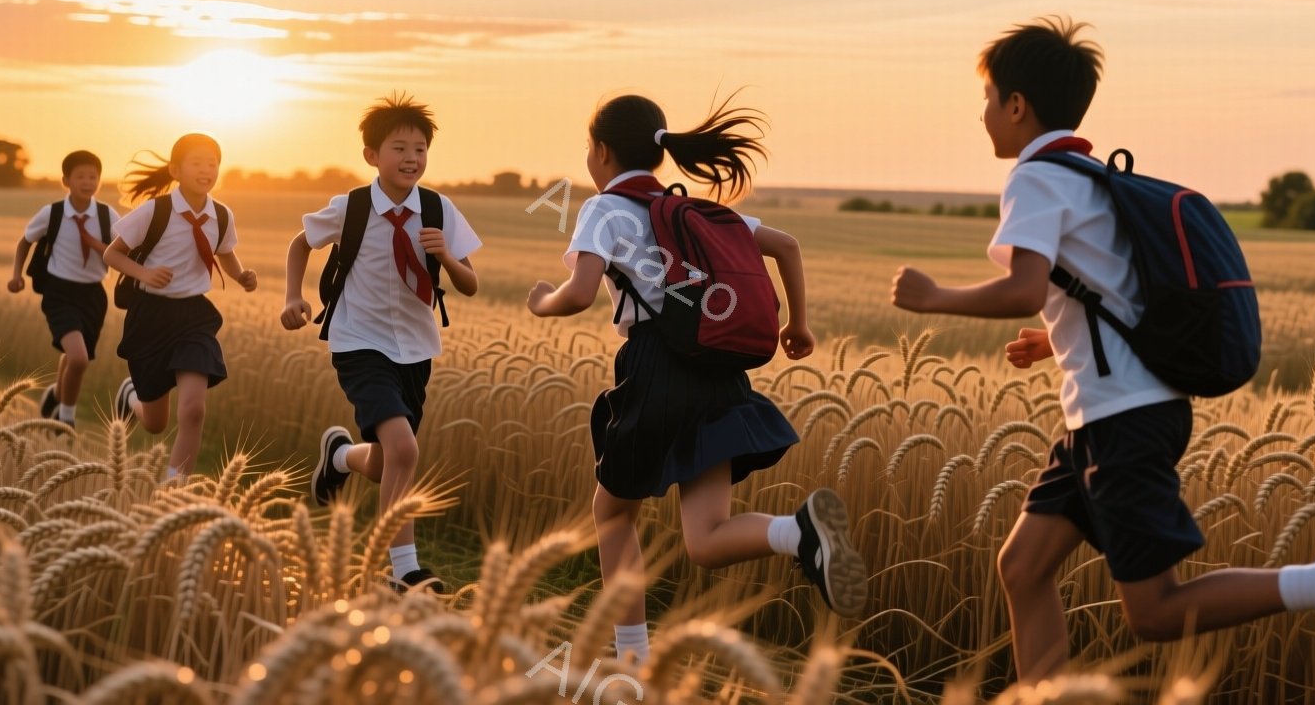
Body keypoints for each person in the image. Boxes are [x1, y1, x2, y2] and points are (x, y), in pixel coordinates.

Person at [890, 16, 1315, 682]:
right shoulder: (1089, 176)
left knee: (1153, 610)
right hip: (1106, 417)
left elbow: (1024, 288)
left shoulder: (1035, 179)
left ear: (1018, 105)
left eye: (988, 99)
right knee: (1022, 568)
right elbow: (1108, 292)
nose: (983, 115)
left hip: (1122, 420)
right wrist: (1056, 339)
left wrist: (933, 296)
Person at [527, 93, 868, 663]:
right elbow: (786, 246)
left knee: (612, 513)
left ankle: (631, 657)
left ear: (602, 152)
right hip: (718, 374)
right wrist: (798, 323)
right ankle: (797, 532)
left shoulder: (604, 210)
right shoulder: (697, 212)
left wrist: (542, 302)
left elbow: (581, 292)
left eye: (588, 148)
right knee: (706, 538)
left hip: (656, 371)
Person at [283, 93, 481, 595]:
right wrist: (292, 296)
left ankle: (340, 457)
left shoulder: (438, 209)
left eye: (420, 149)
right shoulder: (351, 207)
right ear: (372, 155)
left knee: (385, 460)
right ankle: (401, 569)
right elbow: (300, 243)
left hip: (415, 348)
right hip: (358, 342)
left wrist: (447, 257)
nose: (411, 158)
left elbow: (470, 283)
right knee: (404, 448)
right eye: (399, 148)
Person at [103, 133, 257, 481]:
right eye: (197, 163)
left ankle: (174, 490)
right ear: (175, 170)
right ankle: (131, 397)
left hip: (194, 319)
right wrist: (144, 273)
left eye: (212, 164)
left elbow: (225, 253)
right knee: (155, 423)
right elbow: (112, 254)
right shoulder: (155, 211)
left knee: (193, 410)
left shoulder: (221, 215)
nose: (206, 170)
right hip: (150, 317)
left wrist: (241, 276)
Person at [8, 150, 115, 427]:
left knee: (74, 356)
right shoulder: (52, 213)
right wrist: (16, 274)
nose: (87, 182)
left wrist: (98, 246)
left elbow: (124, 249)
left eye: (93, 177)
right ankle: (66, 420)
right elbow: (25, 241)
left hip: (94, 295)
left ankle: (56, 395)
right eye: (80, 176)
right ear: (66, 180)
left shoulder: (107, 216)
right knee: (78, 359)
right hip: (59, 292)